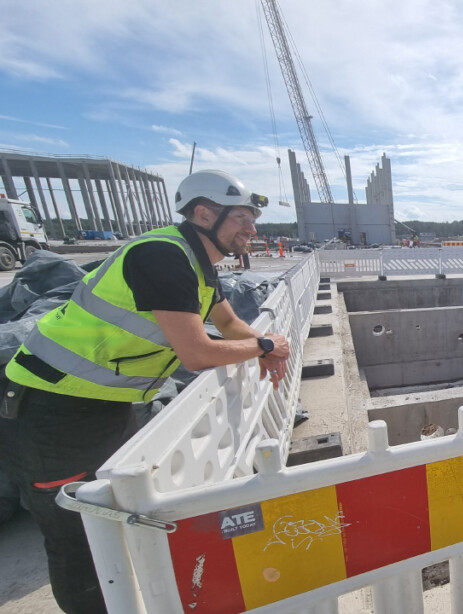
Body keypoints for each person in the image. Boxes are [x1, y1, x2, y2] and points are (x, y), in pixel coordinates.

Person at [0, 169, 291, 614]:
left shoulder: (197, 262)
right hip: (51, 409)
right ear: (203, 213)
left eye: (252, 219)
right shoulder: (163, 255)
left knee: (116, 520)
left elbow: (230, 324)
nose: (252, 229)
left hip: (107, 403)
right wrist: (266, 344)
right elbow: (195, 353)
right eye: (242, 219)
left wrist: (260, 348)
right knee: (75, 541)